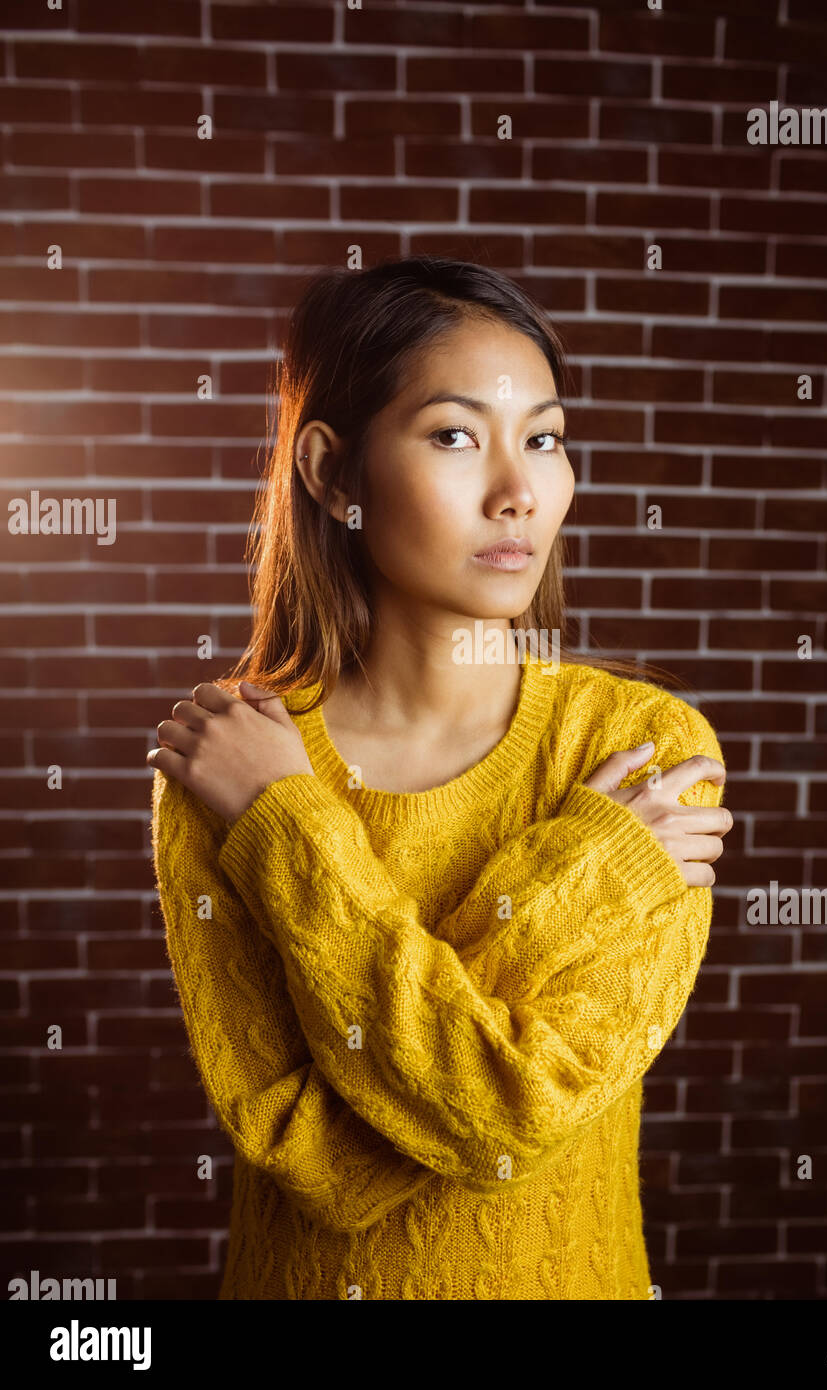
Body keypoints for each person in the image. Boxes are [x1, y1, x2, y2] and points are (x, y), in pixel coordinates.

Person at [147, 256, 733, 1300]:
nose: (518, 492)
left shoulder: (643, 745)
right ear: (331, 473)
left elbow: (517, 1114)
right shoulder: (229, 764)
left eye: (543, 439)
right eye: (455, 436)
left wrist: (284, 831)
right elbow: (302, 1148)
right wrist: (598, 868)